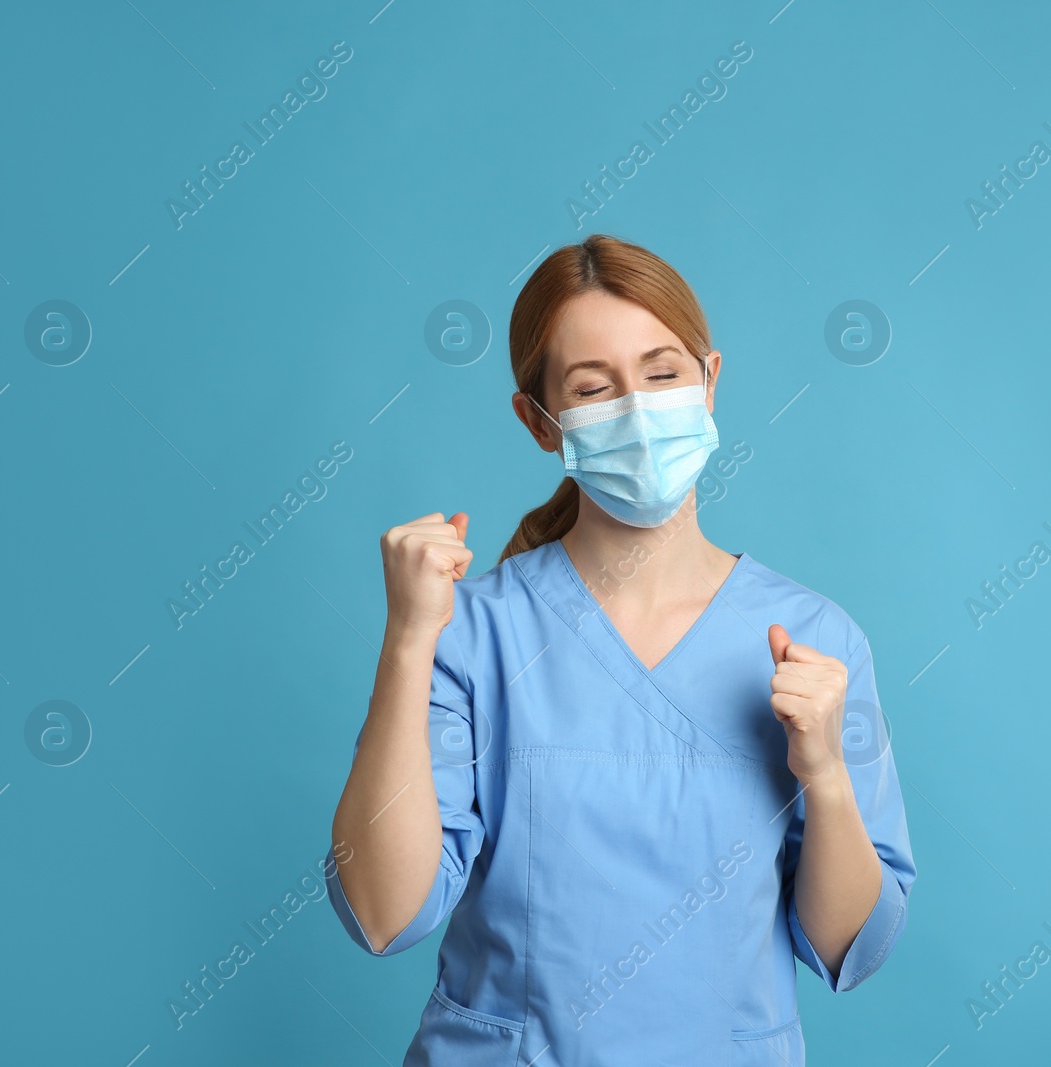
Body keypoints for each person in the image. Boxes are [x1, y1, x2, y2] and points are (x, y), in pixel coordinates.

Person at [325, 234, 915, 1066]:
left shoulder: (813, 638)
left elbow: (849, 944)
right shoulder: (475, 633)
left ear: (711, 382)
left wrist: (826, 777)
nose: (638, 411)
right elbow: (383, 912)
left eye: (662, 372)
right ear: (539, 422)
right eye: (594, 388)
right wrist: (408, 639)